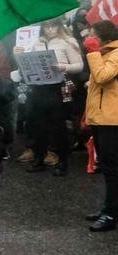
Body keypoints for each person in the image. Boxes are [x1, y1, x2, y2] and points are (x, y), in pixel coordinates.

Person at [21, 18, 82, 176]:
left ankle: (62, 161)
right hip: (39, 88)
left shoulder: (67, 41)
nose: (49, 29)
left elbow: (79, 65)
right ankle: (39, 158)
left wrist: (64, 67)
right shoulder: (37, 43)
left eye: (53, 26)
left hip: (58, 87)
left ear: (59, 26)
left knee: (58, 126)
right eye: (46, 26)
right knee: (37, 125)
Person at [84, 22, 118, 231]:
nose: (89, 36)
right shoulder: (106, 53)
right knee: (107, 167)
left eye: (93, 34)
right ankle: (109, 207)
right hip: (101, 117)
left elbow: (102, 76)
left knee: (112, 168)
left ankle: (110, 215)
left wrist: (94, 53)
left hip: (112, 120)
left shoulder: (115, 53)